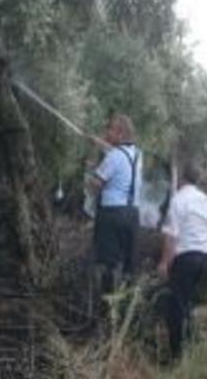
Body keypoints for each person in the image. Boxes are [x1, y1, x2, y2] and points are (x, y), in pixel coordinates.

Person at [158, 162, 207, 360]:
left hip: (186, 258)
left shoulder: (179, 199)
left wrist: (165, 262)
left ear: (182, 179)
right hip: (204, 256)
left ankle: (177, 356)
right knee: (188, 304)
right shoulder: (205, 200)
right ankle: (194, 348)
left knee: (175, 307)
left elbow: (171, 235)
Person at [88, 114, 143, 294]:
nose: (106, 133)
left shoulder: (113, 157)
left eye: (110, 129)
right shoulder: (137, 154)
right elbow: (118, 154)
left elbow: (95, 186)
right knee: (128, 264)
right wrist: (100, 144)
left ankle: (106, 306)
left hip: (112, 214)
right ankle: (125, 306)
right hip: (132, 214)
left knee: (108, 264)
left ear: (120, 133)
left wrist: (92, 164)